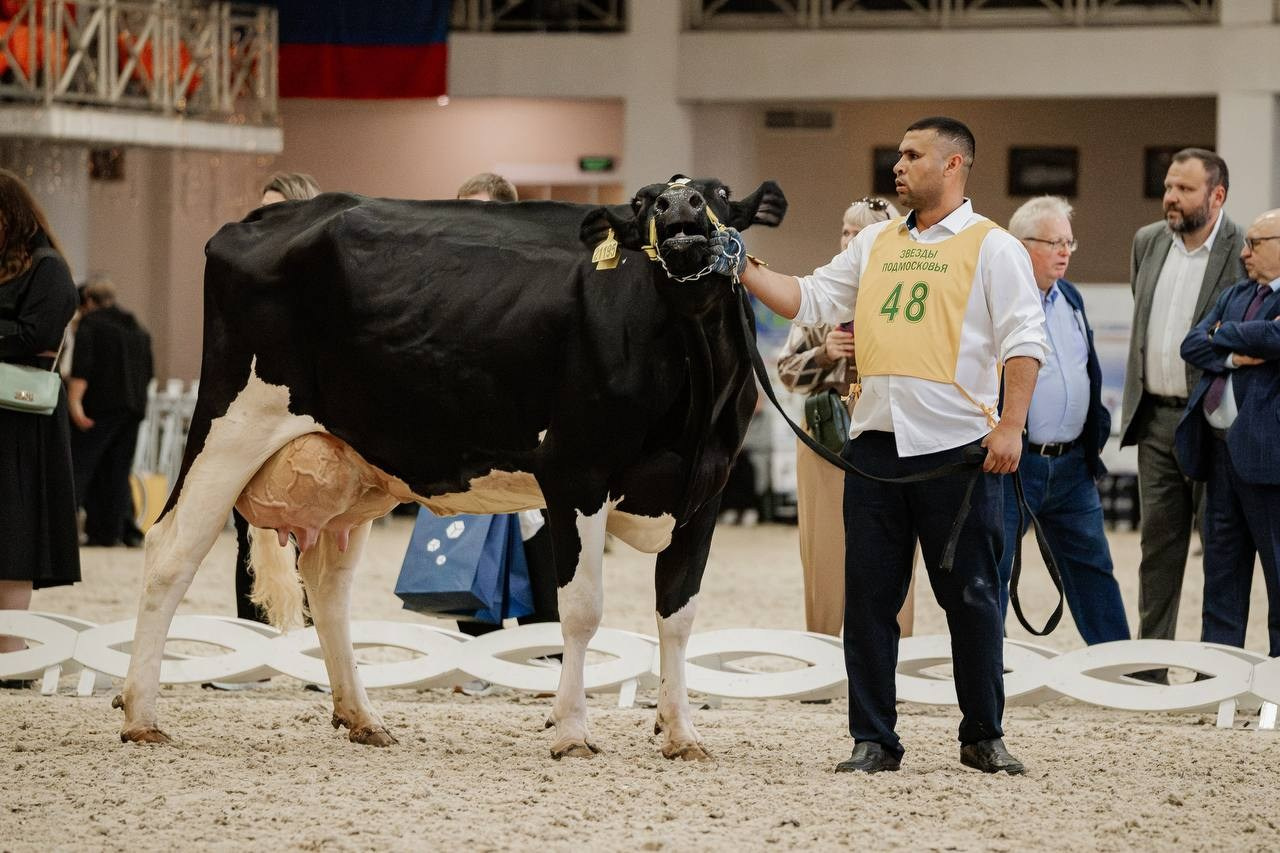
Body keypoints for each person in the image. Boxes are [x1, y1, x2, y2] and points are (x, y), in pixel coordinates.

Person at [737, 117, 1046, 775]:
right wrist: (743, 264)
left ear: (955, 164)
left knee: (973, 599)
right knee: (869, 603)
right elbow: (811, 298)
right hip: (875, 448)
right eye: (898, 155)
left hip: (961, 452)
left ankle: (982, 734)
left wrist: (1011, 425)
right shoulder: (876, 241)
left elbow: (1024, 338)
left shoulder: (993, 246)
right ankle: (873, 739)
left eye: (913, 155)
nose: (898, 166)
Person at [1118, 149, 1245, 679]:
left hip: (1216, 422)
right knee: (1158, 547)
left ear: (1216, 196)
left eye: (1185, 189)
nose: (1171, 197)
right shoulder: (1148, 242)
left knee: (1221, 548)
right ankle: (1152, 665)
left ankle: (1216, 671)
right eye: (1169, 186)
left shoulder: (1243, 251)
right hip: (1155, 419)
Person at [776, 197, 917, 639]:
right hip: (826, 433)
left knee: (894, 540)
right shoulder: (824, 293)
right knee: (823, 543)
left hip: (893, 428)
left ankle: (894, 649)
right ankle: (823, 642)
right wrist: (826, 354)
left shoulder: (909, 293)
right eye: (845, 231)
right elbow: (786, 372)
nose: (849, 241)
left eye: (861, 233)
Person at [1000, 196, 1129, 645]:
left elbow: (1084, 368)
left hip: (1073, 464)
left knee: (1093, 565)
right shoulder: (998, 300)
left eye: (1069, 242)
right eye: (1054, 242)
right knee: (994, 566)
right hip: (1015, 463)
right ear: (1020, 246)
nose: (1065, 251)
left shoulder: (1070, 297)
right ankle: (983, 672)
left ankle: (1121, 670)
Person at [450, 172, 561, 695]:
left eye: (481, 211)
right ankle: (480, 650)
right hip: (469, 424)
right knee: (472, 530)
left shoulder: (533, 272)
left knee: (540, 529)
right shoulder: (449, 276)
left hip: (529, 423)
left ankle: (547, 651)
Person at [1176, 208, 1280, 658]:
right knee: (1220, 574)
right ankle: (1217, 679)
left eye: (1255, 243)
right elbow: (1192, 343)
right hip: (1218, 456)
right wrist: (1237, 354)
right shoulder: (1237, 293)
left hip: (1269, 460)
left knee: (1278, 574)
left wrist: (1226, 333)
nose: (1244, 252)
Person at [229, 172, 323, 627]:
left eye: (277, 209)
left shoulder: (322, 270)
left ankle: (313, 642)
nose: (265, 219)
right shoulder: (246, 270)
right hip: (255, 411)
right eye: (262, 209)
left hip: (309, 415)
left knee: (316, 532)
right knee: (247, 524)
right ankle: (253, 633)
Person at [0, 169, 81, 661]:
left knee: (14, 533)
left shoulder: (48, 267)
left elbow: (39, 333)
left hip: (22, 419)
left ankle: (11, 650)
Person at [68, 275, 154, 548]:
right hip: (134, 407)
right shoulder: (138, 328)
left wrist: (74, 404)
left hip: (99, 407)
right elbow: (149, 373)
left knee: (80, 467)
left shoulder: (90, 324)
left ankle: (63, 531)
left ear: (89, 301)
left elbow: (82, 370)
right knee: (118, 472)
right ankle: (112, 532)